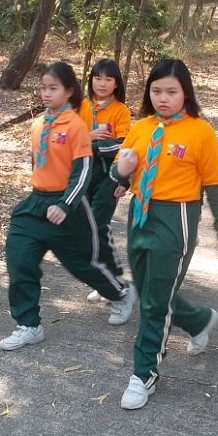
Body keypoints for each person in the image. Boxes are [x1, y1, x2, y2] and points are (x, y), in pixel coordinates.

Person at [111, 58, 218, 410]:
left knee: (155, 301)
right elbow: (120, 172)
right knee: (152, 292)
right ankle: (199, 320)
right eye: (156, 91)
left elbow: (215, 185)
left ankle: (144, 374)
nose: (163, 98)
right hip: (140, 215)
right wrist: (122, 173)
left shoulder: (200, 132)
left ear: (186, 93)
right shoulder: (142, 127)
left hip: (176, 218)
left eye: (171, 92)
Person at [0, 61, 137, 350]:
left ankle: (121, 293)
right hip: (37, 202)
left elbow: (83, 172)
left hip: (68, 206)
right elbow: (37, 164)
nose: (46, 94)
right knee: (19, 257)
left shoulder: (75, 126)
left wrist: (65, 205)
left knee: (82, 264)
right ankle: (29, 325)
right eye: (43, 88)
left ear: (69, 91)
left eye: (54, 88)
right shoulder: (38, 124)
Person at [76, 58, 133, 316]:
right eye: (97, 78)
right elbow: (70, 138)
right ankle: (107, 281)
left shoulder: (121, 110)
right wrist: (87, 139)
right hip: (83, 174)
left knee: (98, 226)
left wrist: (123, 178)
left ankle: (116, 285)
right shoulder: (82, 106)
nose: (102, 83)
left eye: (108, 79)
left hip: (109, 175)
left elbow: (124, 143)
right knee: (87, 228)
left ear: (116, 83)